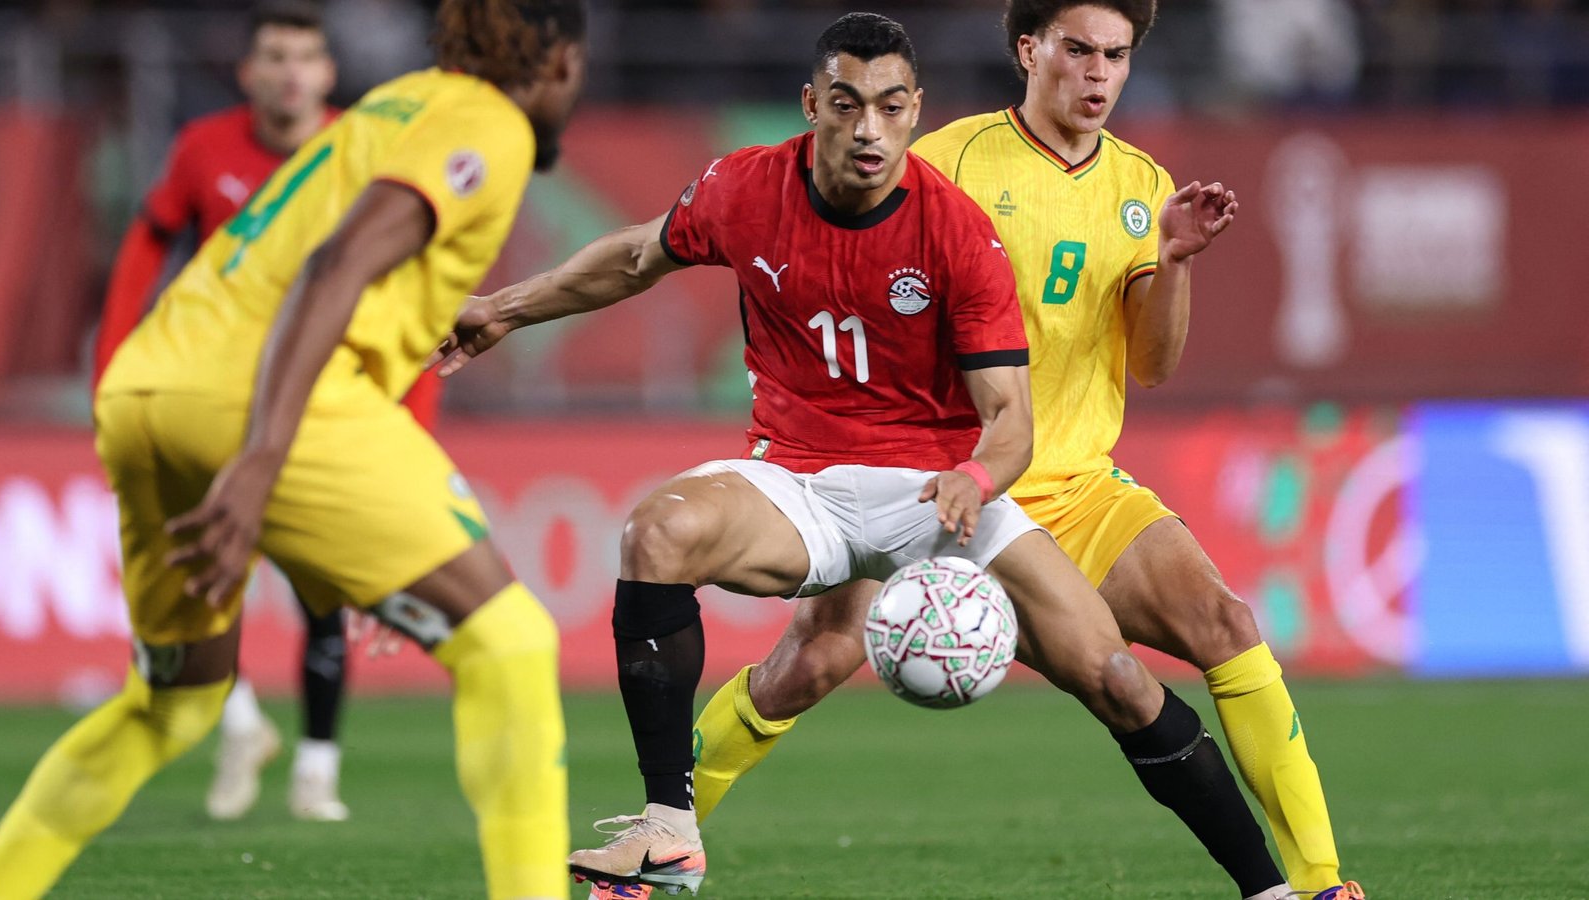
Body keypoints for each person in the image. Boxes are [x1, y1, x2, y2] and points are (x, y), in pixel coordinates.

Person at [433, 13, 1294, 899]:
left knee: (1115, 678)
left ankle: (1270, 888)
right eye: (846, 105)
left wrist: (975, 477)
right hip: (797, 481)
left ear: (915, 110)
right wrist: (505, 308)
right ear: (812, 106)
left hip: (932, 492)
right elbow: (634, 258)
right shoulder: (745, 187)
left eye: (889, 106)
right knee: (656, 533)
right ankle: (668, 830)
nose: (868, 129)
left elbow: (1010, 419)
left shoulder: (957, 233)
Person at [684, 2, 1367, 899]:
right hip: (936, 486)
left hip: (1078, 488)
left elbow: (1152, 365)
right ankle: (661, 833)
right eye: (1077, 49)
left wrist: (1175, 261)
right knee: (808, 664)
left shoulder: (1141, 183)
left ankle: (1320, 883)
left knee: (1226, 625)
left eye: (1116, 54)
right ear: (1028, 50)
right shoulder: (949, 161)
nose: (1097, 73)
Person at [0, 1, 586, 897]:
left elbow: (299, 247)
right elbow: (338, 262)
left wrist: (428, 312)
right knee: (511, 644)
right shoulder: (491, 124)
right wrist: (262, 457)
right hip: (267, 402)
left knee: (175, 703)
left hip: (149, 391)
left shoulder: (397, 102)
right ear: (561, 61)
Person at [90, 0, 418, 826]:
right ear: (247, 73)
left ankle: (316, 769)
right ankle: (240, 726)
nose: (290, 73)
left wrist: (407, 416)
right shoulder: (204, 148)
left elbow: (403, 289)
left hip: (322, 397)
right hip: (215, 395)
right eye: (274, 57)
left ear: (328, 73)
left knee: (322, 589)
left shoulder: (363, 149)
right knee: (207, 574)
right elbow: (147, 242)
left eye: (304, 57)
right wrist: (114, 363)